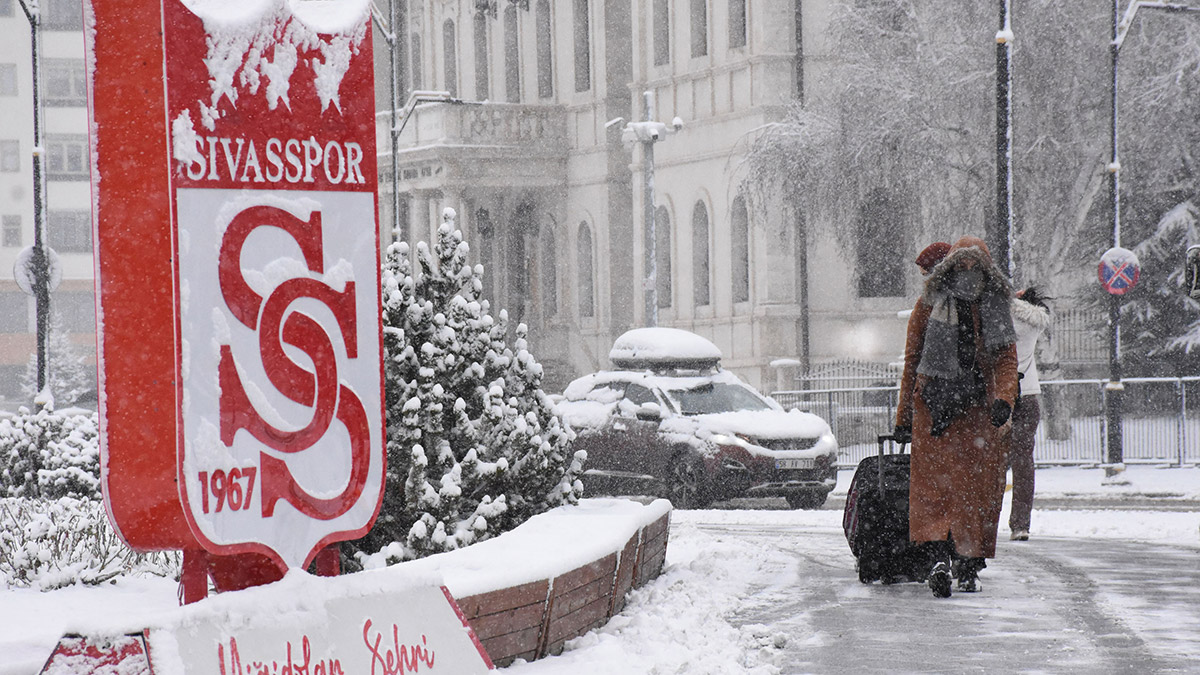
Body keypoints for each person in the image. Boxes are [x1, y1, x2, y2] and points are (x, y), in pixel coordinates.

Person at [893, 236, 1019, 598]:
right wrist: (903, 417)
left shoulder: (995, 306)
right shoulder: (929, 303)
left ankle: (969, 564)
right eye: (961, 263)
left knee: (976, 492)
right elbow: (913, 360)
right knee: (935, 492)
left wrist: (1004, 399)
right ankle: (938, 559)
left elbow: (1006, 360)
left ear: (986, 268)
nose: (967, 270)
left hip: (979, 414)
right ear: (950, 266)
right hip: (934, 411)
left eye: (974, 264)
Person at [1008, 286, 1051, 541]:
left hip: (1004, 396)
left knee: (993, 464)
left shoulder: (1003, 320)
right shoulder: (1035, 325)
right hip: (1029, 396)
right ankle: (1020, 525)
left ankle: (986, 521)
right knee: (1024, 463)